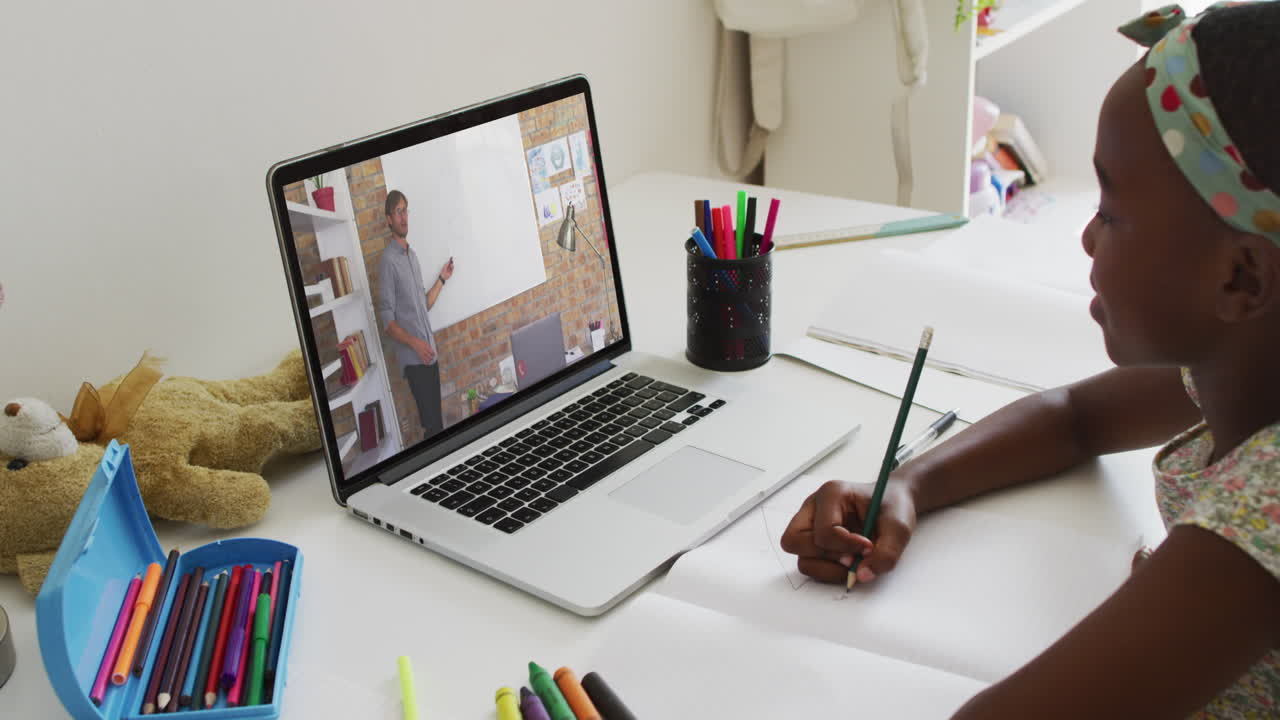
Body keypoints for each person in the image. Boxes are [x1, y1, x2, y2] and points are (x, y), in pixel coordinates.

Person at [780, 3, 1280, 717]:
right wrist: (910, 485)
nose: (1086, 237)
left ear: (1242, 279)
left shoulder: (1261, 514)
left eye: (1112, 212)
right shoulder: (1246, 361)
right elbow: (1074, 417)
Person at [375, 189, 455, 437]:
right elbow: (387, 320)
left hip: (430, 355)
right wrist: (415, 344)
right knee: (432, 428)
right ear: (389, 219)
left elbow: (424, 304)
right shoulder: (388, 262)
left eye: (405, 210)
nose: (403, 217)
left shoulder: (413, 257)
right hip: (415, 359)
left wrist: (442, 279)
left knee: (436, 425)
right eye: (398, 212)